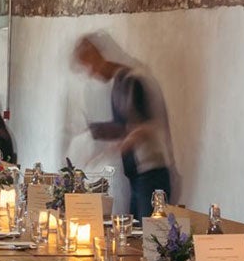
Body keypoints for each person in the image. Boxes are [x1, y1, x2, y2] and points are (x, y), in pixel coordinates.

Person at [72, 33, 175, 217]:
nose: (91, 74)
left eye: (90, 66)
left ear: (100, 56)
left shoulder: (134, 80)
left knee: (147, 238)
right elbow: (125, 126)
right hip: (136, 175)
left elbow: (145, 127)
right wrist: (93, 132)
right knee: (134, 237)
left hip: (151, 175)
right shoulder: (120, 82)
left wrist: (116, 148)